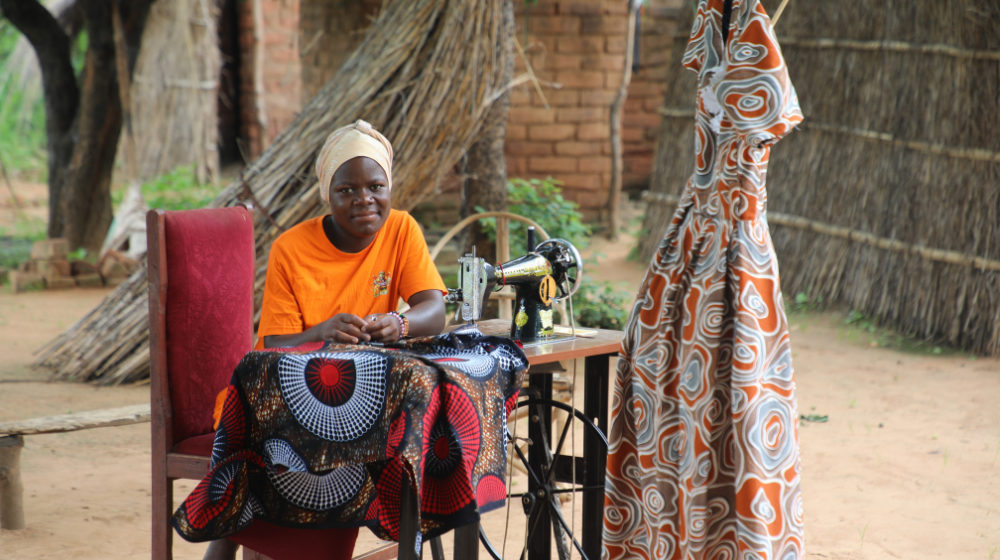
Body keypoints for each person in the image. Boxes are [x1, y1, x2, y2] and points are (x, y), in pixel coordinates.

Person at [204, 120, 447, 560]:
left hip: (368, 397)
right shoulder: (291, 249)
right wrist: (319, 334)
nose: (364, 200)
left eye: (375, 186)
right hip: (291, 396)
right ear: (326, 193)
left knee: (418, 429)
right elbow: (272, 347)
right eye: (347, 190)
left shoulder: (401, 231)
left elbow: (434, 308)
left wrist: (399, 322)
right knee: (272, 440)